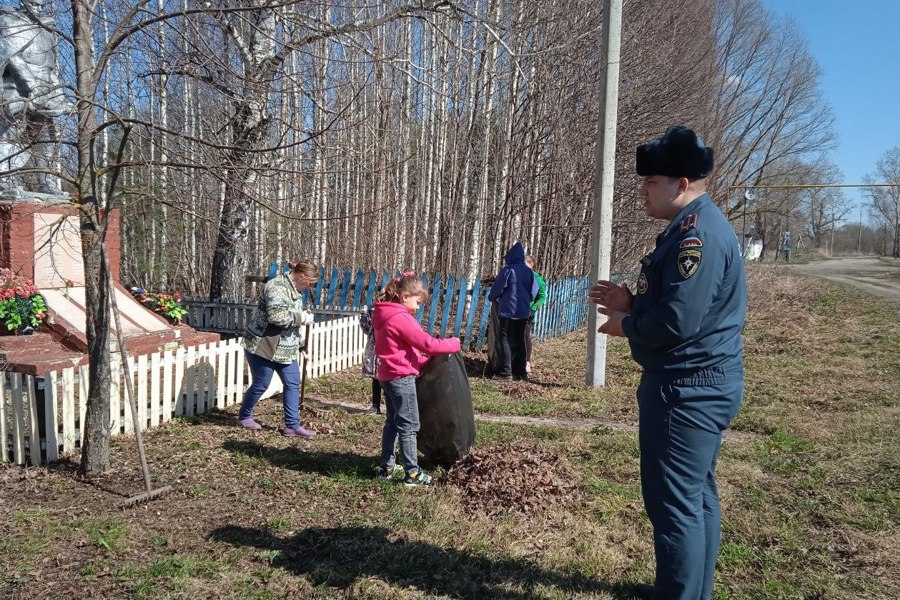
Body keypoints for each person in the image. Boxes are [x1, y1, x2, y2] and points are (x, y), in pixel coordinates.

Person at [588, 126, 746, 600]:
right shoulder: (697, 227)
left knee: (675, 505)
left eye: (650, 182)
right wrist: (633, 304)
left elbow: (678, 320)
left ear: (680, 184)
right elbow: (687, 308)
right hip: (700, 381)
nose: (642, 190)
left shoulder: (696, 238)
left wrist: (624, 326)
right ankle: (688, 592)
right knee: (695, 497)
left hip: (686, 390)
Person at [372, 272, 461, 486]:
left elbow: (398, 348)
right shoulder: (400, 317)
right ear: (405, 297)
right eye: (418, 301)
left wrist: (418, 362)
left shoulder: (383, 314)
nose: (419, 307)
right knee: (409, 425)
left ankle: (387, 466)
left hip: (388, 375)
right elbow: (427, 343)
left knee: (392, 423)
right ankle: (412, 473)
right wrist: (453, 343)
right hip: (401, 378)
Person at [238, 260, 319, 438]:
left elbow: (290, 321)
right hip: (263, 345)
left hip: (285, 349)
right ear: (301, 276)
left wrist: (300, 343)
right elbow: (277, 317)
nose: (310, 286)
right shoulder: (277, 287)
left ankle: (292, 426)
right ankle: (244, 416)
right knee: (261, 384)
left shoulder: (294, 289)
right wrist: (302, 319)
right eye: (310, 282)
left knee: (292, 383)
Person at [488, 242, 538, 381]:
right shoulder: (529, 272)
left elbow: (498, 288)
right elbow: (534, 291)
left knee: (504, 338)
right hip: (523, 311)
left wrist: (492, 297)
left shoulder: (508, 270)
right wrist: (527, 299)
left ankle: (506, 371)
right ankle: (521, 372)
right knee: (520, 339)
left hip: (508, 310)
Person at [523, 254, 547, 374]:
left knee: (525, 336)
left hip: (528, 311)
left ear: (532, 265)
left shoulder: (537, 278)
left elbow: (542, 296)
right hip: (517, 311)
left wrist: (534, 308)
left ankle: (527, 362)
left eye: (526, 265)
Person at [358, 304, 383, 414]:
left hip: (388, 349)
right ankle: (375, 406)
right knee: (376, 379)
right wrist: (363, 316)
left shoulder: (393, 312)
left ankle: (391, 408)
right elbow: (367, 329)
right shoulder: (373, 310)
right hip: (374, 348)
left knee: (388, 380)